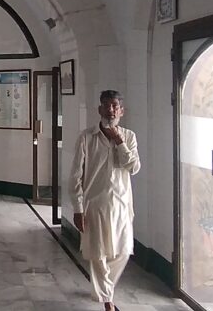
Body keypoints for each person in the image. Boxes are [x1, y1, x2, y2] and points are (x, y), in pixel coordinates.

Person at [69, 90, 141, 311]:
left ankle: (102, 288)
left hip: (121, 204)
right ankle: (107, 299)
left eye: (114, 106)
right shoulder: (86, 137)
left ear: (121, 110)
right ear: (99, 109)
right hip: (95, 204)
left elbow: (134, 167)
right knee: (97, 252)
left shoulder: (128, 136)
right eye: (106, 105)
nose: (110, 110)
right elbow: (75, 175)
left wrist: (119, 141)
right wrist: (78, 208)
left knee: (122, 251)